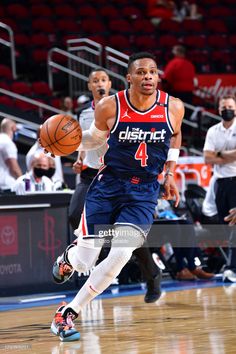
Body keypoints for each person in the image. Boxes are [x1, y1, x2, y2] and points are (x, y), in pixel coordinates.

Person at [49, 52, 184, 342]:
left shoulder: (173, 106)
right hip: (109, 185)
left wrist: (170, 174)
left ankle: (68, 313)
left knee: (121, 253)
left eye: (152, 72)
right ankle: (69, 258)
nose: (148, 77)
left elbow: (175, 136)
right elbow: (96, 139)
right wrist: (64, 143)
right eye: (141, 72)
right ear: (129, 78)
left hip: (144, 190)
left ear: (157, 76)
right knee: (85, 263)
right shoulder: (111, 106)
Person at [68, 67, 162, 303]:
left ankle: (150, 273)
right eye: (95, 80)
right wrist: (78, 160)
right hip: (91, 175)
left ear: (110, 83)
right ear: (89, 86)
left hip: (119, 175)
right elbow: (82, 140)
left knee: (127, 238)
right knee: (73, 214)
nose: (99, 83)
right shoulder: (83, 114)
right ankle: (91, 255)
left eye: (103, 79)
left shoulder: (122, 107)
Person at [203, 94, 236, 283]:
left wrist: (219, 154)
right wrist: (228, 155)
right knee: (226, 227)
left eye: (230, 106)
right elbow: (207, 158)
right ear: (219, 109)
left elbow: (214, 155)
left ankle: (232, 267)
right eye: (223, 107)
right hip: (220, 183)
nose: (227, 110)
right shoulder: (213, 131)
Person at [0, 118, 22, 191]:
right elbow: (14, 169)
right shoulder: (8, 143)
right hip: (6, 187)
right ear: (13, 128)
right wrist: (23, 182)